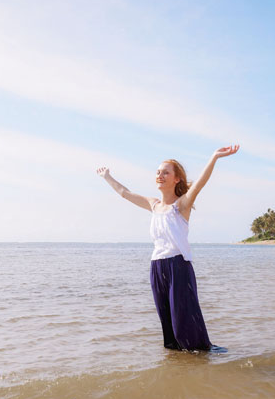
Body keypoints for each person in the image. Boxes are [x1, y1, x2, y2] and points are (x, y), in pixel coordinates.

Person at [96, 145, 240, 351]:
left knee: (184, 324)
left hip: (178, 266)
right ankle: (176, 369)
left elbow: (199, 185)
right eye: (157, 172)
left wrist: (214, 157)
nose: (160, 175)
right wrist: (107, 177)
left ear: (176, 179)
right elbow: (124, 193)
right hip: (156, 267)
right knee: (168, 329)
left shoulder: (181, 205)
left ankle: (204, 358)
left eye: (165, 172)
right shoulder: (153, 205)